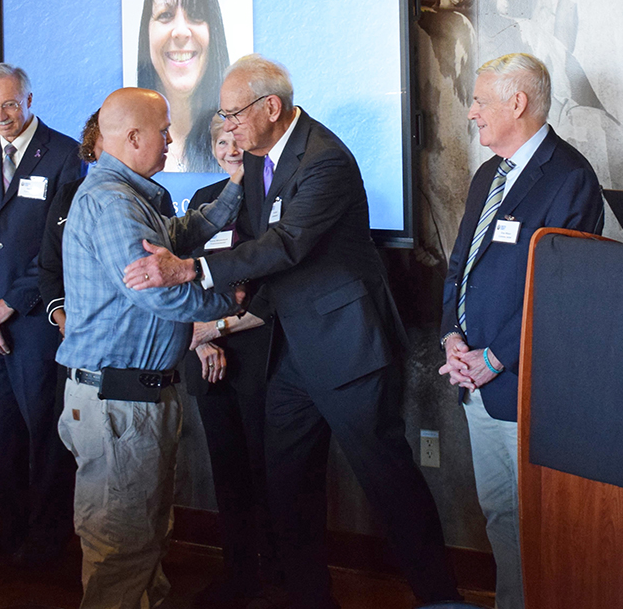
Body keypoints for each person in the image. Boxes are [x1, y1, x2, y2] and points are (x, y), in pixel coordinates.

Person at [124, 55, 461, 609]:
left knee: (388, 482)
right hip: (291, 356)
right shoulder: (260, 162)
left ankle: (441, 598)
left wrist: (192, 270)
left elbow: (286, 245)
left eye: (233, 115)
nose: (226, 128)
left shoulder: (325, 160)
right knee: (288, 490)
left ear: (270, 108)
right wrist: (222, 309)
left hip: (347, 349)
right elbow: (258, 255)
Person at [56, 87, 243, 609]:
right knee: (122, 552)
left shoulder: (128, 194)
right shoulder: (113, 202)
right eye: (162, 131)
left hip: (128, 400)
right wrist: (235, 294)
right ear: (132, 137)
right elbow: (160, 294)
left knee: (141, 545)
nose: (169, 139)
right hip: (120, 404)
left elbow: (176, 238)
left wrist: (232, 191)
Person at [438, 53, 603, 609]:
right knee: (501, 516)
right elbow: (459, 262)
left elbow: (560, 292)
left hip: (526, 387)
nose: (471, 112)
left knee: (542, 525)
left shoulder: (570, 178)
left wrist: (496, 358)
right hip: (475, 382)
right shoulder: (489, 172)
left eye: (481, 101)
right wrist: (451, 339)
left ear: (518, 102)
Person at [0, 63, 83, 566]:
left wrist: (9, 306)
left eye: (9, 104)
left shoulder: (66, 154)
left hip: (34, 325)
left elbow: (59, 248)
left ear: (29, 100)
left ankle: (48, 538)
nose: (1, 116)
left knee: (45, 432)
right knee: (0, 431)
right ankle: (7, 528)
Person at [184, 113, 277, 609]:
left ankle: (274, 578)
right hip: (209, 362)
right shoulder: (203, 204)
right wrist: (200, 340)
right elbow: (185, 284)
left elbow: (272, 294)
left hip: (262, 357)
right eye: (220, 142)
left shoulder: (272, 200)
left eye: (234, 137)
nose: (229, 148)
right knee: (227, 472)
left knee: (269, 472)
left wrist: (217, 327)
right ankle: (237, 574)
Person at [136, 0, 230, 172]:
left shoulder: (242, 146)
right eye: (165, 15)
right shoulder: (126, 154)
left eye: (196, 14)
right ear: (146, 31)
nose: (181, 32)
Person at [37, 109, 103, 336]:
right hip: (74, 330)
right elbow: (50, 264)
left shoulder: (154, 195)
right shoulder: (68, 195)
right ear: (91, 147)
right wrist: (62, 318)